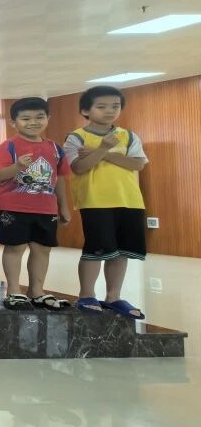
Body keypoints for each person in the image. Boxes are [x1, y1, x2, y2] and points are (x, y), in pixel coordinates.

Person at [64, 86, 148, 319]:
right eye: (101, 106)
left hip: (130, 200)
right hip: (95, 201)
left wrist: (103, 153)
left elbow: (137, 164)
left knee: (121, 251)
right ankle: (86, 295)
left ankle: (114, 297)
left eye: (115, 106)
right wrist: (102, 148)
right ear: (86, 110)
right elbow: (79, 167)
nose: (109, 111)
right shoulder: (76, 137)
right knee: (96, 249)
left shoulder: (129, 136)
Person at [0, 97, 72, 311]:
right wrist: (17, 166)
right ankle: (13, 290)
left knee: (42, 249)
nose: (33, 122)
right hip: (13, 207)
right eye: (26, 118)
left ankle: (37, 291)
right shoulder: (8, 146)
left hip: (46, 208)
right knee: (15, 247)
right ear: (13, 123)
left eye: (39, 117)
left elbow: (60, 178)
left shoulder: (55, 148)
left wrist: (63, 206)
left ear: (48, 118)